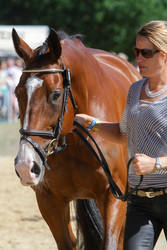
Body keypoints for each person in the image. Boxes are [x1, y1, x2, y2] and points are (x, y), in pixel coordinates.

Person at [74, 20, 167, 249]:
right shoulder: (135, 89)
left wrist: (155, 164)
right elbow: (123, 133)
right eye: (137, 51)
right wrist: (94, 124)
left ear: (164, 55)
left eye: (146, 52)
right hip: (139, 202)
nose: (139, 59)